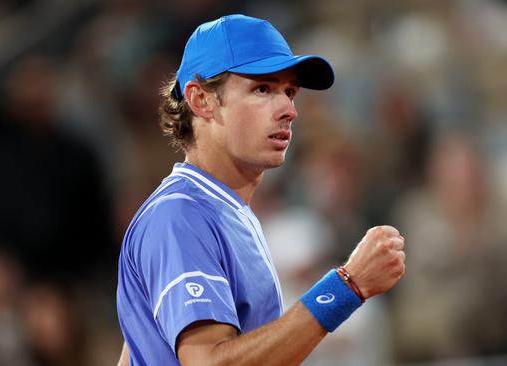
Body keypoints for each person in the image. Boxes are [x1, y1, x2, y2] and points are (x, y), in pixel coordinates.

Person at [116, 14, 406, 365]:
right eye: (263, 89)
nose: (289, 109)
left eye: (289, 92)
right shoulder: (180, 214)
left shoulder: (220, 211)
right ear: (201, 100)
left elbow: (137, 347)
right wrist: (347, 287)